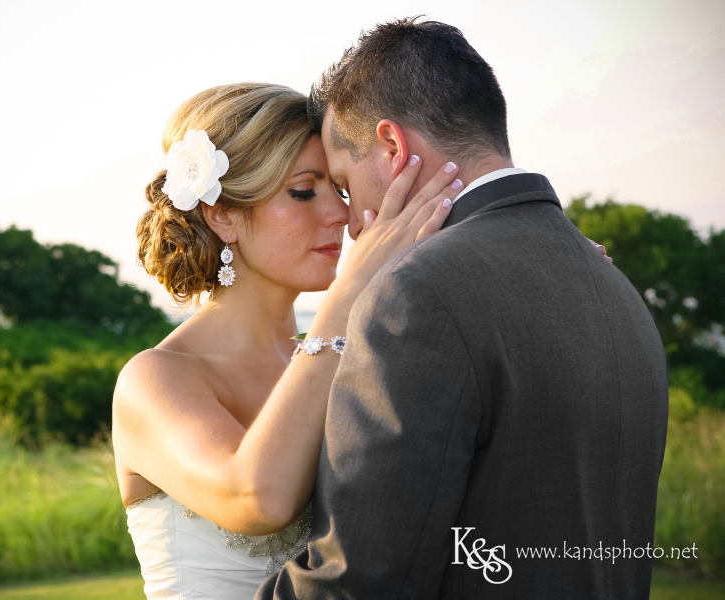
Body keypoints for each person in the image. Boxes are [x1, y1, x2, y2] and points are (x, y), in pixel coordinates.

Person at [254, 18, 668, 600]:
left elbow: (362, 580)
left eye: (346, 186)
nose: (350, 222)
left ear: (392, 148)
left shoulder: (413, 296)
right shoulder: (615, 287)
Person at [112, 82, 467, 600]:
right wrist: (348, 296)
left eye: (341, 191)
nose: (341, 217)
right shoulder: (155, 379)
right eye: (304, 191)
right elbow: (257, 498)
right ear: (223, 215)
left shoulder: (345, 353)